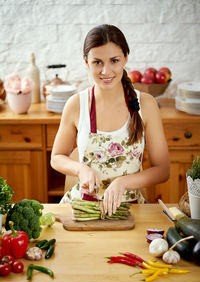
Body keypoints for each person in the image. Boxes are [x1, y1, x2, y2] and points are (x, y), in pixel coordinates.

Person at [51, 24, 170, 216]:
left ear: (125, 58)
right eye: (97, 62)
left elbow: (163, 170)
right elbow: (56, 158)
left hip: (131, 210)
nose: (106, 71)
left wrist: (122, 182)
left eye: (114, 60)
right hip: (83, 208)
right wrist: (80, 169)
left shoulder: (146, 105)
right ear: (86, 62)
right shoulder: (76, 104)